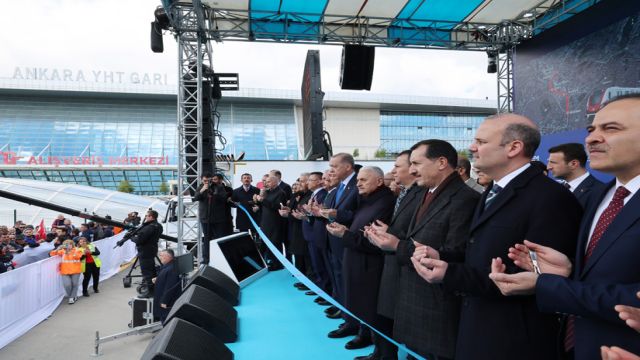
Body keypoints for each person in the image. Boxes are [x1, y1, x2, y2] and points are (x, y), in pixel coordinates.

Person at [410, 114, 582, 360]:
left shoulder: (550, 198)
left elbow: (535, 279)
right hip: (478, 324)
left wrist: (449, 273)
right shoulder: (495, 189)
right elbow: (482, 252)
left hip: (514, 340)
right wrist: (442, 256)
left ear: (514, 147)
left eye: (480, 141)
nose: (472, 147)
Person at [488, 95, 640, 360]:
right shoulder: (601, 197)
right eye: (592, 130)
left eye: (611, 129)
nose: (591, 139)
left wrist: (546, 285)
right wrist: (568, 272)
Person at [368, 140, 480, 360]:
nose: (411, 170)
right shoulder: (428, 192)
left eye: (416, 163)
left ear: (441, 163)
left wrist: (396, 245)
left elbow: (456, 252)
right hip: (414, 296)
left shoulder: (465, 198)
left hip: (437, 303)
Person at [326, 166, 395, 352]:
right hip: (357, 261)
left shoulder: (386, 202)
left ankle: (382, 352)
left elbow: (376, 241)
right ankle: (371, 343)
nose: (358, 184)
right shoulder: (368, 200)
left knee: (374, 312)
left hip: (370, 266)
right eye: (358, 181)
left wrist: (345, 235)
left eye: (363, 180)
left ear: (379, 181)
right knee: (361, 308)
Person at [321, 153, 360, 328]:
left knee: (350, 284)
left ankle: (352, 321)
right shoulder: (340, 187)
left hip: (349, 242)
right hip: (334, 241)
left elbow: (360, 215)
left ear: (347, 167)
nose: (331, 171)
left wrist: (337, 214)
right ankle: (344, 313)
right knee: (339, 280)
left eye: (334, 167)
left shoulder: (358, 185)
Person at [117, 210, 163, 297]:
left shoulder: (149, 227)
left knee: (147, 272)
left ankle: (149, 292)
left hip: (145, 251)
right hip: (152, 250)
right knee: (152, 270)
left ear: (151, 217)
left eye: (147, 216)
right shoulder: (158, 226)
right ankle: (154, 289)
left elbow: (139, 240)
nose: (145, 217)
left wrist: (131, 237)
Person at [547, 142, 604, 208]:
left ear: (573, 164)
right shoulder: (556, 189)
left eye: (553, 162)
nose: (548, 167)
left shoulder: (599, 191)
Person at [254, 175, 287, 270]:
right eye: (265, 181)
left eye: (268, 182)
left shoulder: (280, 193)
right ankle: (269, 261)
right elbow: (263, 205)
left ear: (275, 182)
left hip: (275, 223)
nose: (265, 183)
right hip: (266, 223)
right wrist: (258, 200)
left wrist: (263, 200)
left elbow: (277, 206)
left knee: (275, 244)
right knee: (266, 244)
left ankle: (278, 264)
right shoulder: (267, 192)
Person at [50, 239, 84, 304]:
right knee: (67, 285)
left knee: (74, 284)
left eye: (69, 244)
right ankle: (72, 296)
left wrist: (70, 252)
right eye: (66, 244)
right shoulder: (62, 251)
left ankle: (72, 297)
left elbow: (78, 256)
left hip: (76, 270)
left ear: (72, 245)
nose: (67, 246)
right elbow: (52, 254)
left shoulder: (77, 250)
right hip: (65, 271)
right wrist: (57, 249)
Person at [153, 249, 182, 323]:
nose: (160, 257)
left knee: (166, 321)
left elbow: (170, 287)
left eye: (161, 255)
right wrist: (158, 279)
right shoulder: (169, 266)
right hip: (164, 301)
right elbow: (167, 279)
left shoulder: (171, 269)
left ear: (168, 256)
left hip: (166, 303)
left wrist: (164, 301)